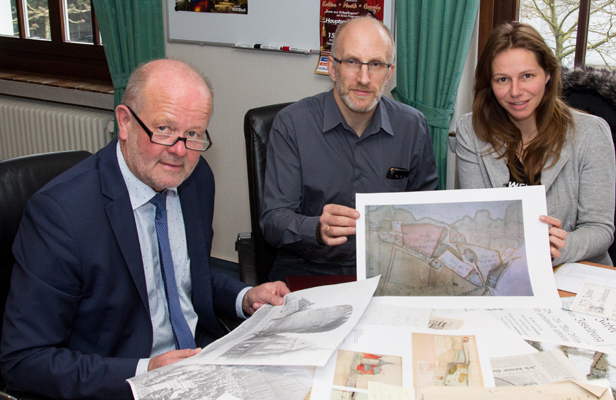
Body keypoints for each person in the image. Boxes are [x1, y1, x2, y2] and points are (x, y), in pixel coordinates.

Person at [0, 59, 290, 399]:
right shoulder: (61, 215)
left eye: (194, 134)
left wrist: (244, 297)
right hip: (120, 382)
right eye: (164, 129)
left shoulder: (196, 181)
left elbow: (187, 276)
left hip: (202, 363)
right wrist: (145, 373)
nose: (179, 151)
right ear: (124, 122)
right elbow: (23, 361)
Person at [261, 16, 439, 282]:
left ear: (389, 73)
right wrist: (316, 229)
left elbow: (428, 210)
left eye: (376, 64)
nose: (364, 78)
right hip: (309, 263)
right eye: (352, 62)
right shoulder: (292, 124)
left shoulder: (413, 127)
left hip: (388, 267)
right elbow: (273, 220)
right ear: (332, 68)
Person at [456, 22, 616, 266]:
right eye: (502, 79)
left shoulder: (590, 133)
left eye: (527, 76)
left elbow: (600, 230)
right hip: (501, 267)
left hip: (570, 271)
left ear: (548, 75)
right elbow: (477, 221)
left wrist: (558, 245)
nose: (516, 91)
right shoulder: (471, 131)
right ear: (490, 83)